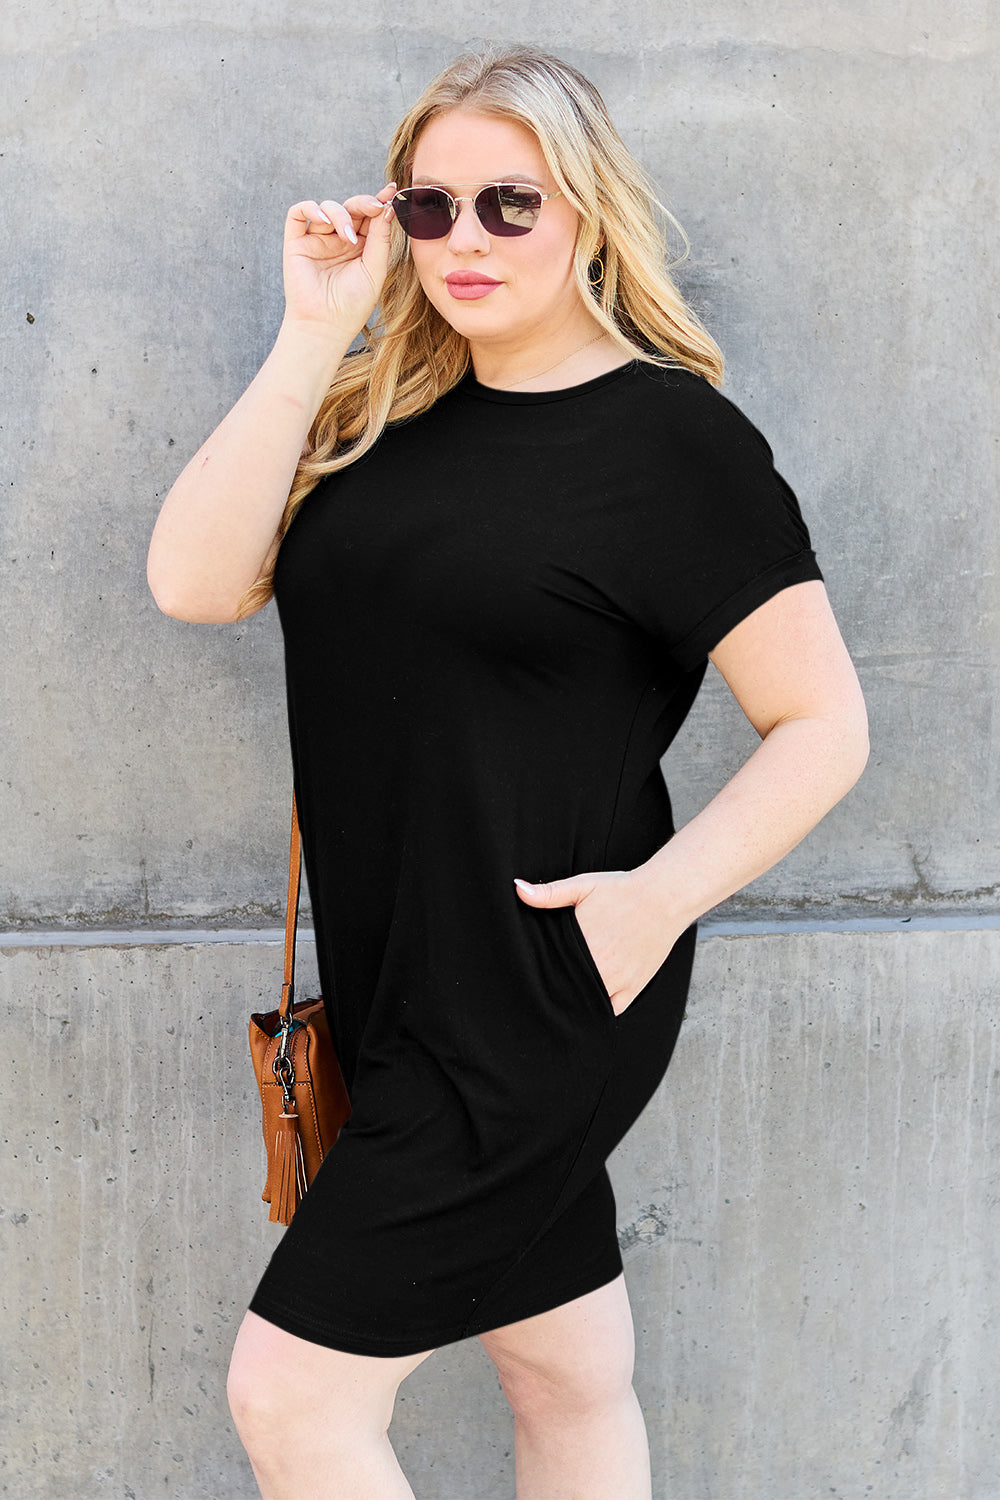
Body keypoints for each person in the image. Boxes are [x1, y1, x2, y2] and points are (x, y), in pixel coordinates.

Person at [147, 42, 869, 1500]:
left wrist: (655, 903)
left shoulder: (675, 446)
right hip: (398, 977)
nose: (462, 242)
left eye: (508, 206)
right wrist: (311, 334)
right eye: (430, 209)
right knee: (564, 1370)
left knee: (289, 1400)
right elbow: (194, 583)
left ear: (586, 213)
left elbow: (826, 725)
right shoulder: (387, 422)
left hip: (542, 990)